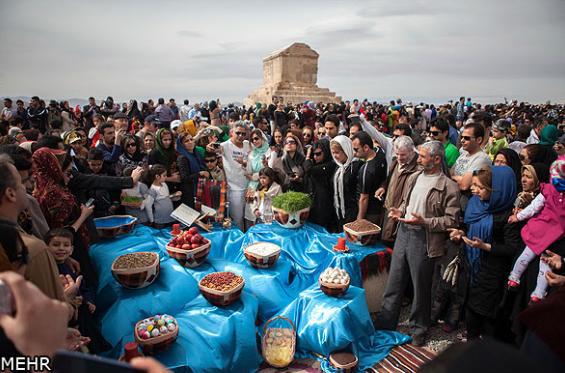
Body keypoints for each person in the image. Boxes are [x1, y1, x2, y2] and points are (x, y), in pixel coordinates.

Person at [374, 141, 460, 346]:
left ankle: (419, 330)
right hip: (404, 233)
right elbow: (407, 203)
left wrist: (425, 222)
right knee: (394, 282)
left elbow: (451, 220)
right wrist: (399, 212)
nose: (418, 159)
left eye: (422, 156)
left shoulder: (448, 186)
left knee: (421, 288)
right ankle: (386, 323)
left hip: (424, 239)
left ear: (437, 159)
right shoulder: (415, 177)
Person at [449, 166, 519, 340]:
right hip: (472, 266)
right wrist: (460, 233)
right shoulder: (476, 204)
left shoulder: (508, 216)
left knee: (486, 318)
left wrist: (485, 246)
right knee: (471, 313)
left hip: (492, 273)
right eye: (475, 186)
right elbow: (467, 226)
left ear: (497, 190)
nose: (475, 191)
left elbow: (512, 248)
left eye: (481, 188)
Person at [507, 159, 565, 302]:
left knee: (528, 255)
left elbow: (533, 208)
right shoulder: (550, 191)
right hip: (555, 235)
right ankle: (538, 293)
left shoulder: (548, 190)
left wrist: (518, 217)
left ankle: (515, 277)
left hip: (541, 229)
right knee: (545, 263)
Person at [376, 136, 420, 244]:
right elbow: (390, 179)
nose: (399, 157)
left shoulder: (417, 169)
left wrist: (401, 210)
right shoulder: (395, 162)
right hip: (388, 209)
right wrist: (383, 187)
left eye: (403, 154)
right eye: (397, 154)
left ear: (411, 151)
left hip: (401, 215)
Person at [351, 131, 387, 223]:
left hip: (370, 213)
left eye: (356, 150)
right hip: (379, 207)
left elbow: (363, 198)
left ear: (366, 147)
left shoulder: (366, 170)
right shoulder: (380, 153)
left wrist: (360, 220)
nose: (354, 153)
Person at [220, 122, 251, 230]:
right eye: (238, 133)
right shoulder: (224, 146)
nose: (241, 136)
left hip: (249, 187)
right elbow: (213, 150)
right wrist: (210, 147)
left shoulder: (248, 144)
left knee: (249, 218)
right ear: (231, 132)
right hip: (234, 189)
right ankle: (239, 242)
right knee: (237, 220)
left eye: (243, 134)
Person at [304, 138, 337, 230]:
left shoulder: (330, 165)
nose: (315, 157)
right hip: (313, 205)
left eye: (318, 154)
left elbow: (308, 169)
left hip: (324, 208)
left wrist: (307, 157)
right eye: (313, 154)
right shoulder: (314, 164)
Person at [330, 135, 362, 228]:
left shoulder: (357, 166)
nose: (335, 156)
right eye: (333, 153)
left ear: (346, 150)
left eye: (337, 152)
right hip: (338, 211)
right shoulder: (338, 166)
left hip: (353, 212)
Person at [452, 122, 492, 193]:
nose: (462, 140)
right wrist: (460, 178)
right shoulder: (464, 154)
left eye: (467, 138)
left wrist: (453, 178)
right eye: (461, 137)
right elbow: (450, 173)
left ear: (479, 140)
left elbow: (464, 185)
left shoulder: (481, 158)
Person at [176, 132, 207, 208]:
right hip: (190, 194)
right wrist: (200, 174)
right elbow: (184, 178)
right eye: (186, 141)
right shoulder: (182, 158)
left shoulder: (196, 154)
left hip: (200, 190)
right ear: (182, 145)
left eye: (191, 139)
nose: (190, 142)